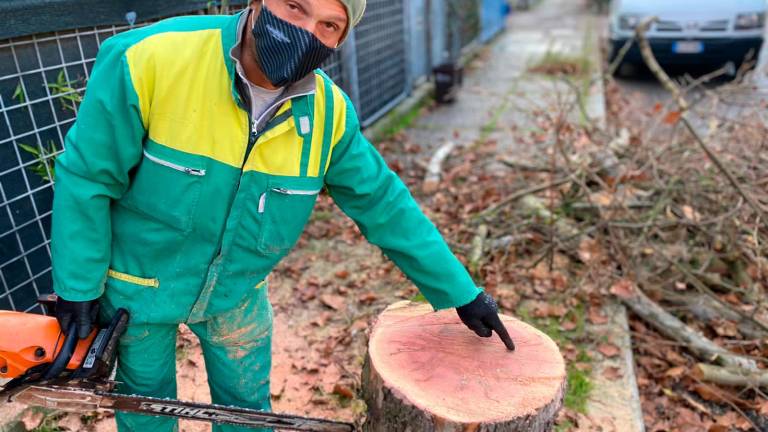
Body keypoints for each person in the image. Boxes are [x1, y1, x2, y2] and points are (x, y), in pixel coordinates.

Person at [49, 0, 515, 431]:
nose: (305, 32)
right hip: (138, 287)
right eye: (295, 6)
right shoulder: (147, 60)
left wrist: (460, 291)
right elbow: (88, 178)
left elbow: (384, 205)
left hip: (237, 291)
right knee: (144, 405)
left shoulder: (330, 115)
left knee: (247, 414)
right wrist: (79, 287)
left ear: (339, 40)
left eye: (328, 25)